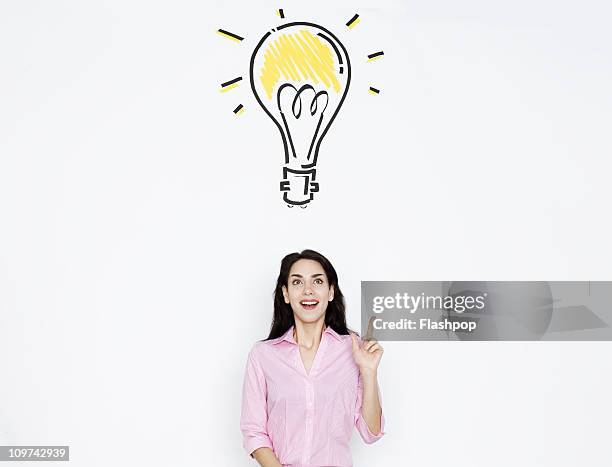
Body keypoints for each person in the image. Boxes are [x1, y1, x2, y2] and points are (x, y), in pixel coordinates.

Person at [240, 249, 385, 466]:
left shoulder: (354, 350)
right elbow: (254, 432)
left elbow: (371, 432)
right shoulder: (263, 356)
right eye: (297, 283)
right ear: (286, 294)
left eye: (317, 281)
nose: (308, 290)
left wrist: (369, 372)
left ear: (331, 292)